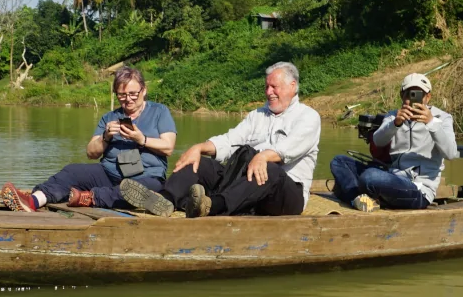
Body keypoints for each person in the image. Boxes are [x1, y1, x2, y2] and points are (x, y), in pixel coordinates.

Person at [120, 61, 320, 218]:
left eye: (274, 87)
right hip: (248, 184)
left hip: (285, 196)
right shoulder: (257, 115)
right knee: (200, 164)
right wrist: (199, 148)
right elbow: (230, 140)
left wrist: (264, 156)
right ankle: (164, 200)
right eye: (267, 87)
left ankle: (213, 206)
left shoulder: (308, 117)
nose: (268, 92)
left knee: (268, 168)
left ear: (292, 86)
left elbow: (289, 148)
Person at [1, 67, 176, 211]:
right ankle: (33, 201)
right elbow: (91, 152)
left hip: (145, 177)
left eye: (133, 94)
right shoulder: (109, 117)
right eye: (122, 95)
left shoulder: (159, 112)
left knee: (133, 191)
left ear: (143, 91)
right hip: (109, 173)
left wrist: (141, 139)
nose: (127, 100)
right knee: (72, 171)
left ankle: (91, 197)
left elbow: (168, 147)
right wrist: (106, 137)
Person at [329, 73, 458, 212]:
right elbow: (377, 141)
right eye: (409, 94)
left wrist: (431, 123)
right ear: (401, 96)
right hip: (392, 176)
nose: (413, 100)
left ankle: (354, 195)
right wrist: (395, 124)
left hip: (419, 189)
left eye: (419, 94)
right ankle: (357, 200)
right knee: (339, 162)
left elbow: (451, 153)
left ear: (428, 97)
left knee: (370, 177)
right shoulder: (393, 116)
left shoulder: (442, 118)